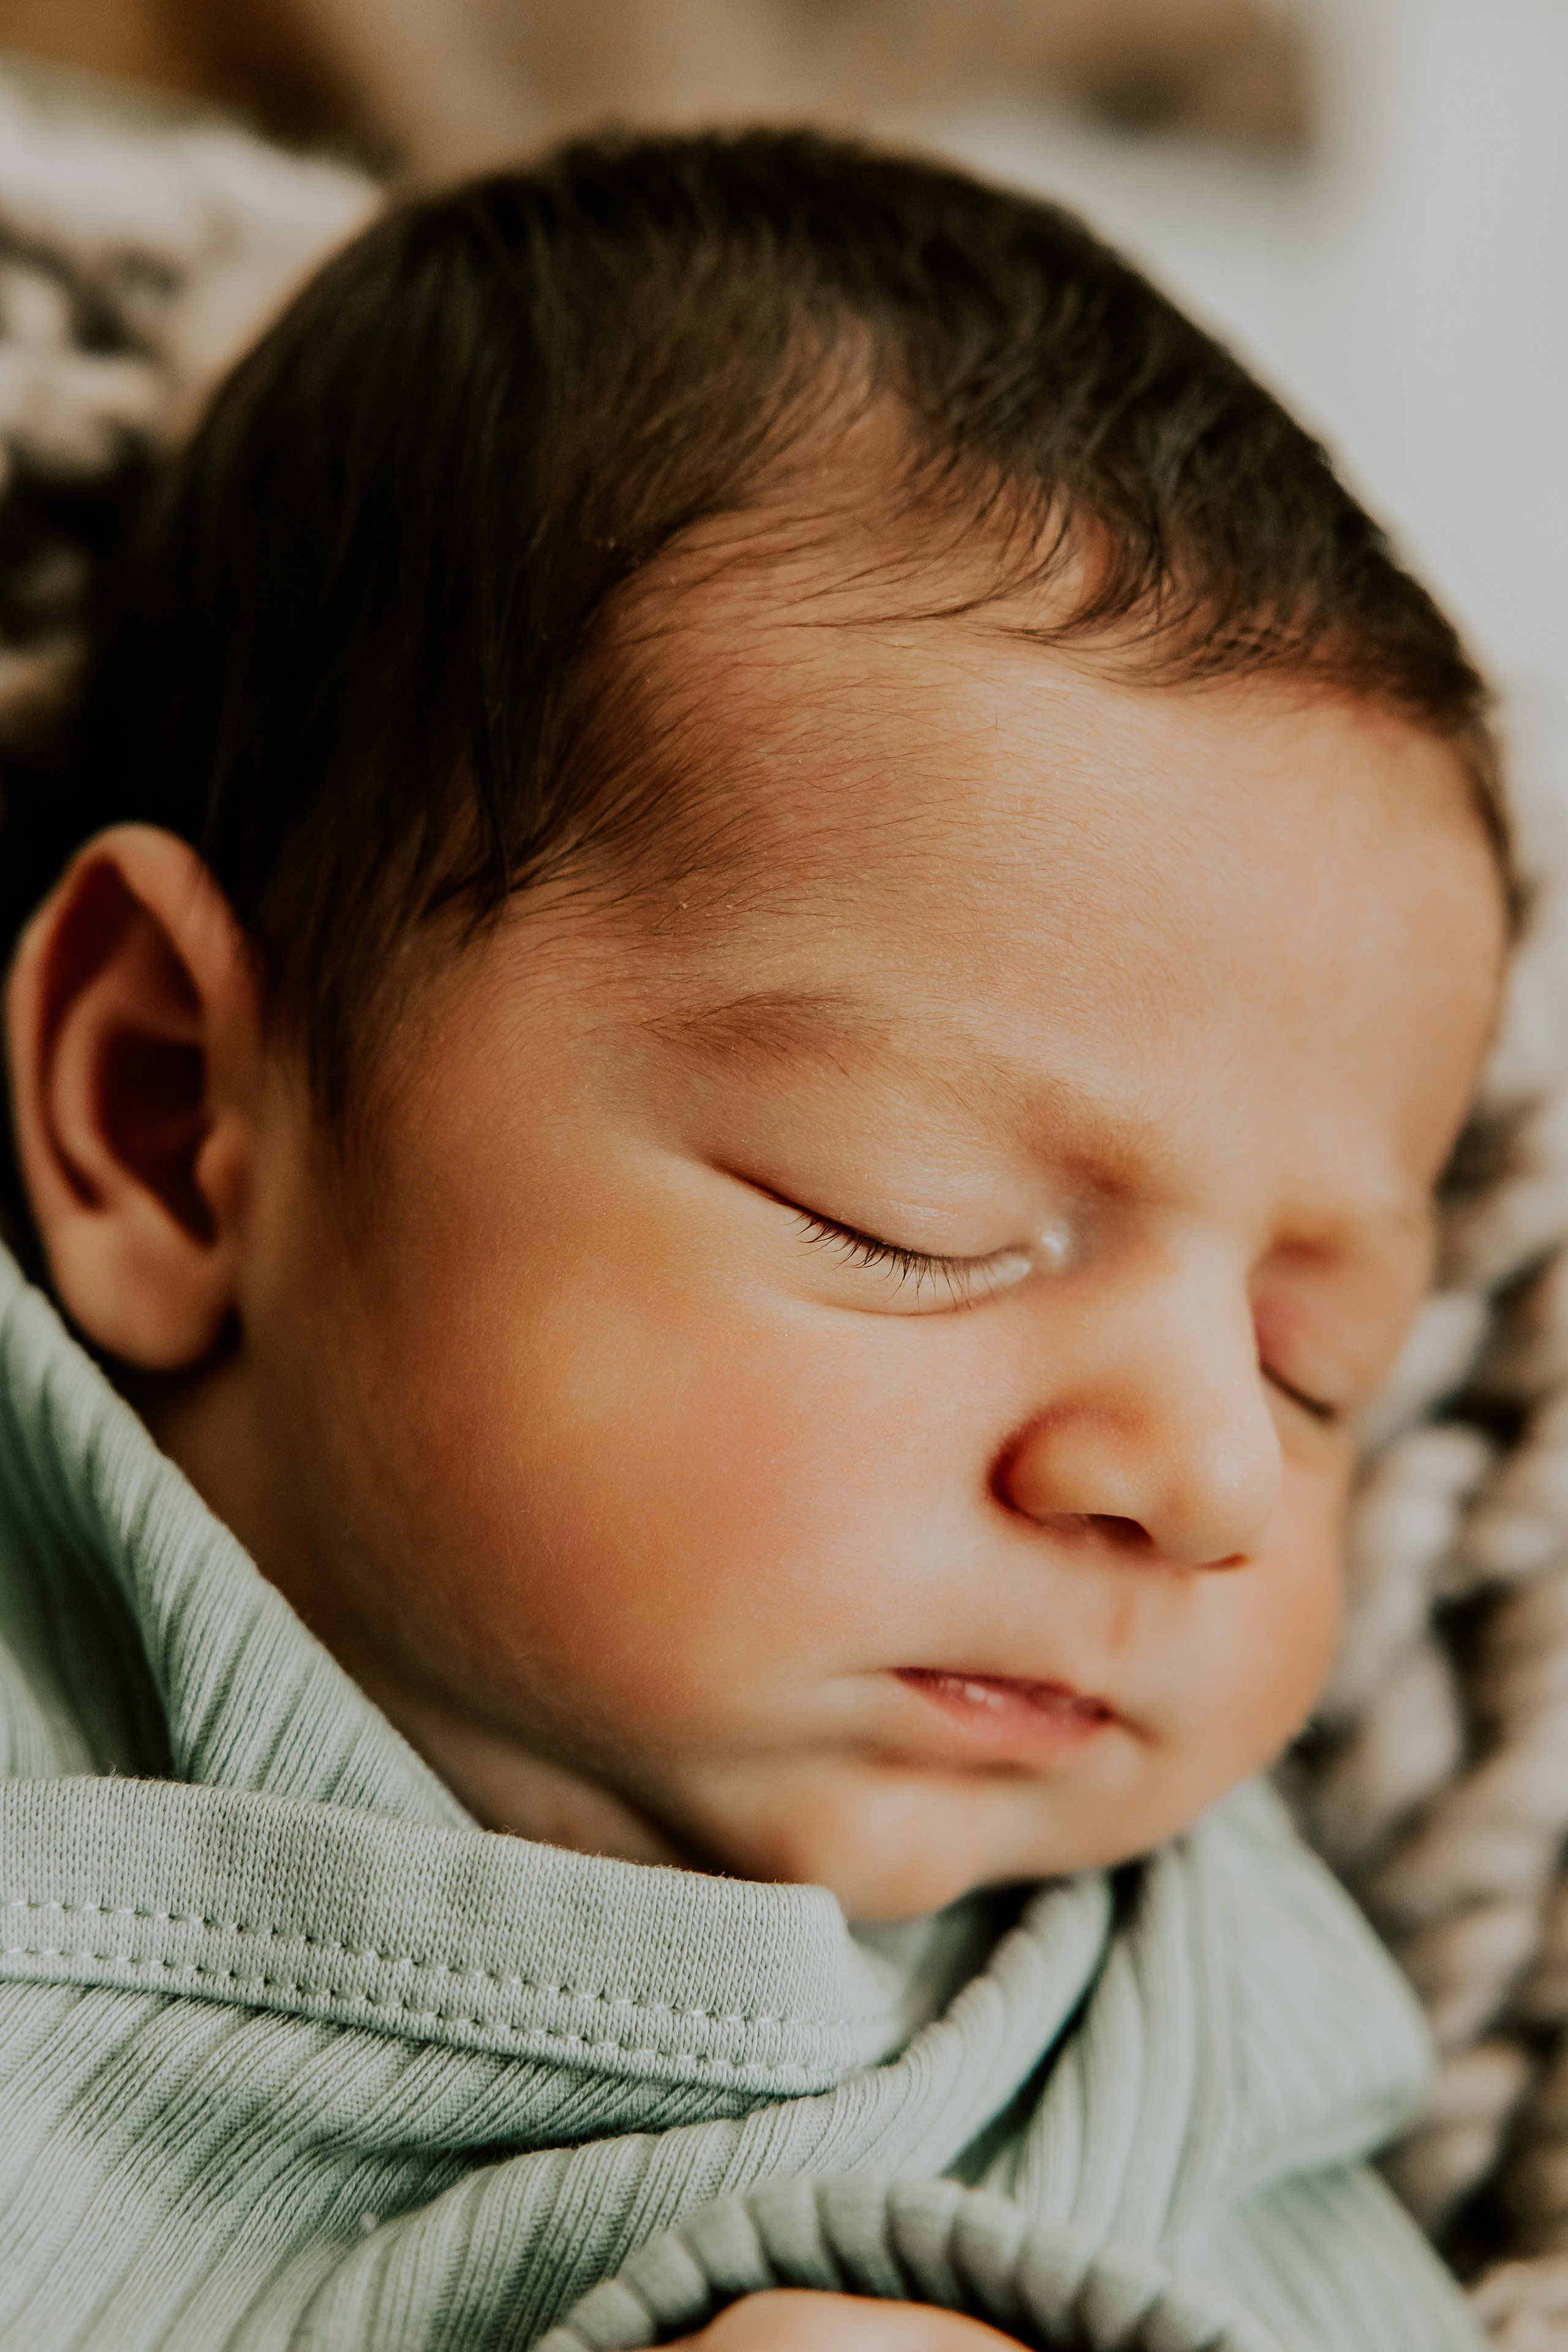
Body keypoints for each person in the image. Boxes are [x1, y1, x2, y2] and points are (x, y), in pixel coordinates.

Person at [0, 129, 1507, 2351]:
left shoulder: (1205, 1999)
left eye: (1314, 1359)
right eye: (911, 1221)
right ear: (171, 1119)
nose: (1204, 1480)